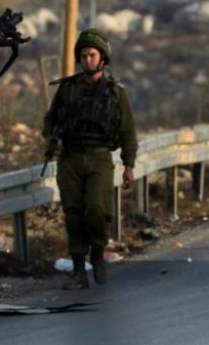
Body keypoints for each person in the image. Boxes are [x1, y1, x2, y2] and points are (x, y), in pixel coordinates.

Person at [42, 28, 138, 290]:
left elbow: (128, 131)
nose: (87, 60)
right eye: (83, 56)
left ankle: (97, 250)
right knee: (73, 215)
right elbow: (50, 119)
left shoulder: (115, 93)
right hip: (70, 157)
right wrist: (50, 136)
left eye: (92, 55)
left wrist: (128, 166)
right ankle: (78, 270)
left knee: (96, 210)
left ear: (102, 58)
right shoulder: (68, 89)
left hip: (99, 158)